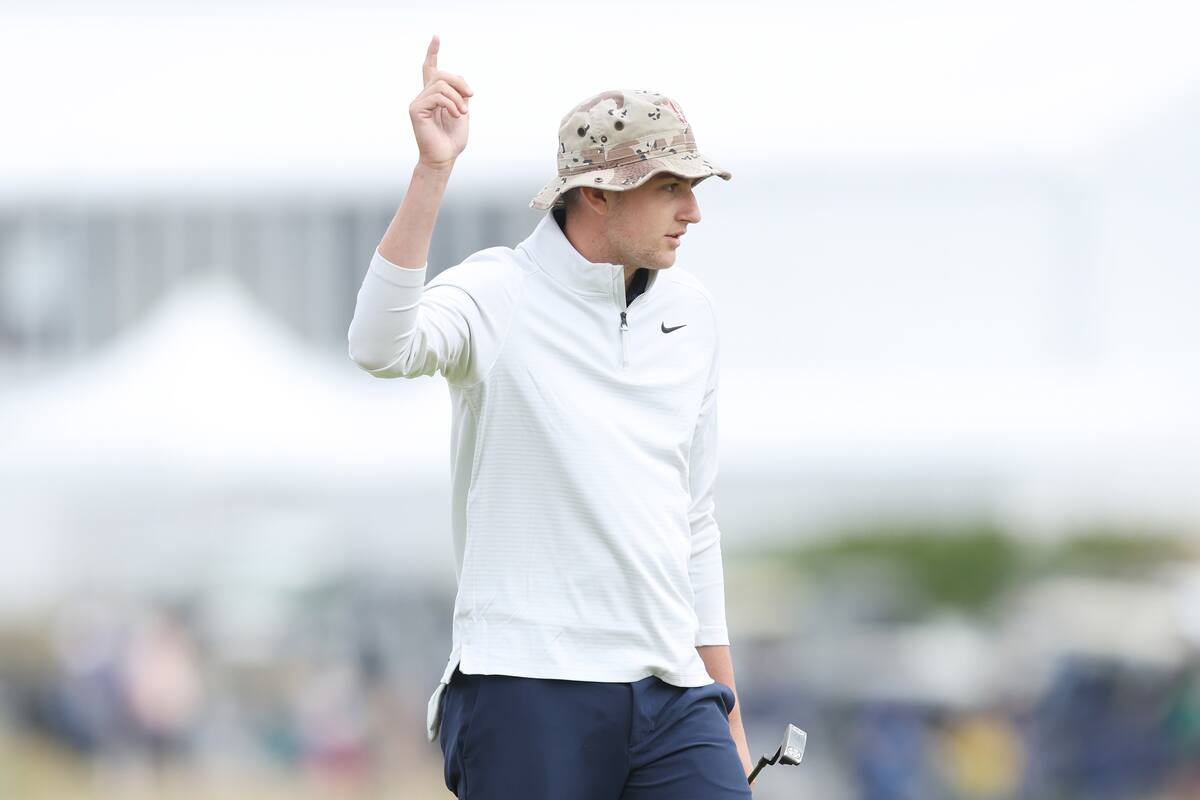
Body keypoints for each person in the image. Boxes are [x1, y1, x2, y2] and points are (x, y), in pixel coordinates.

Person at [347, 34, 751, 799]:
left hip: (673, 695)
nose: (693, 211)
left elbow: (695, 522)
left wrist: (726, 707)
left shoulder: (693, 315)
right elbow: (377, 344)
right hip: (525, 685)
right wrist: (434, 171)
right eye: (670, 186)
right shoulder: (500, 291)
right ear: (596, 192)